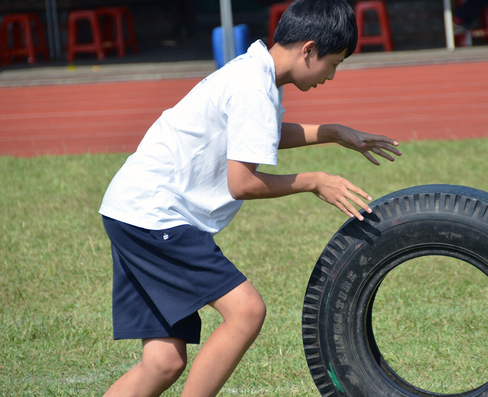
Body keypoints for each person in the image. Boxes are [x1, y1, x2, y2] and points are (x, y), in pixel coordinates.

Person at [98, 0, 401, 396]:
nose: (332, 74)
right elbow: (241, 183)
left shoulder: (253, 72)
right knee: (246, 312)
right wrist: (314, 180)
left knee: (162, 362)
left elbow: (258, 134)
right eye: (334, 63)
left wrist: (333, 132)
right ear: (308, 49)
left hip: (129, 209)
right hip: (155, 215)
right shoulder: (253, 87)